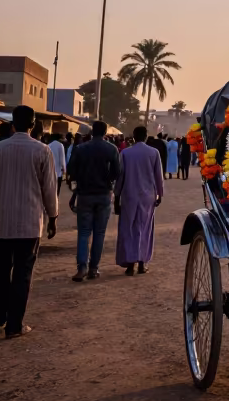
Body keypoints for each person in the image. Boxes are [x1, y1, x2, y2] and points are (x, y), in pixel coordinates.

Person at [0, 105, 58, 338]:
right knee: (22, 273)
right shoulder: (42, 150)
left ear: (11, 124)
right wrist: (53, 217)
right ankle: (14, 325)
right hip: (29, 223)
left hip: (2, 223)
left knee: (1, 270)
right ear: (33, 124)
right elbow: (49, 189)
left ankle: (0, 318)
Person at [67, 120, 121, 281]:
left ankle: (82, 267)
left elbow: (71, 170)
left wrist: (78, 184)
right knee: (99, 233)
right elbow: (117, 172)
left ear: (91, 131)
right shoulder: (111, 149)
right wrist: (107, 181)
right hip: (103, 194)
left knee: (84, 233)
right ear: (105, 133)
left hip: (84, 194)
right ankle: (93, 268)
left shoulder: (81, 148)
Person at [115, 126, 164, 275]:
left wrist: (116, 197)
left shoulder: (125, 153)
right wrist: (160, 194)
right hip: (147, 196)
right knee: (145, 228)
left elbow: (120, 177)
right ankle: (142, 263)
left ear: (133, 136)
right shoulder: (153, 153)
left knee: (128, 228)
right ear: (146, 136)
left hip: (129, 195)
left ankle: (130, 264)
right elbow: (158, 176)